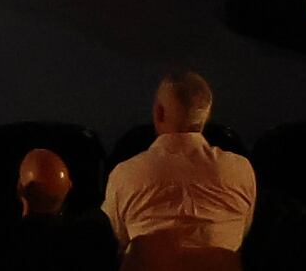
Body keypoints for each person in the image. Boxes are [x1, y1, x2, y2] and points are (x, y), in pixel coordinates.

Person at [99, 73, 251, 258]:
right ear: (205, 115)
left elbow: (114, 241)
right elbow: (242, 234)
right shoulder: (242, 170)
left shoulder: (125, 174)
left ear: (159, 112)